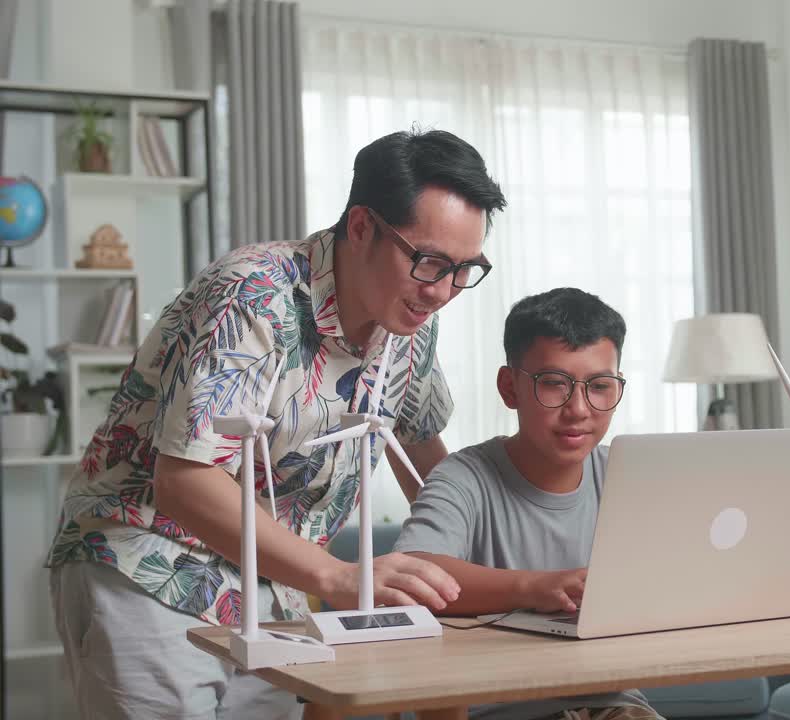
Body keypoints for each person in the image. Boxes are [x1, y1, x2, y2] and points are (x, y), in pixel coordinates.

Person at [45, 129, 506, 720]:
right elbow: (185, 480)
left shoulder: (409, 321)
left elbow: (416, 445)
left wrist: (501, 572)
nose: (442, 291)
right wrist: (338, 577)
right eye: (429, 262)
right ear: (362, 225)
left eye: (464, 270)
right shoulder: (252, 294)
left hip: (271, 589)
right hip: (149, 565)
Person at [394, 287, 663, 720]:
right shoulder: (465, 477)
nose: (579, 409)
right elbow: (414, 571)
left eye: (599, 387)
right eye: (554, 385)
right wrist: (535, 587)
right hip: (506, 707)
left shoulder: (627, 478)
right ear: (510, 387)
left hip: (613, 704)